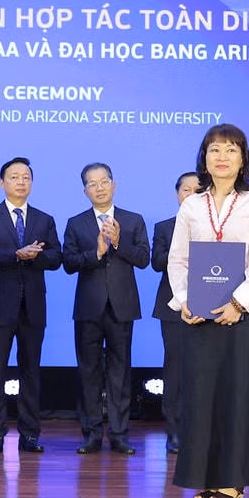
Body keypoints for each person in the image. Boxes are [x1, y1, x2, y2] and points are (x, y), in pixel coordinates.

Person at [165, 125, 249, 498]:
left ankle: (232, 482)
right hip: (198, 319)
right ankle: (203, 478)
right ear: (205, 158)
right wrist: (185, 300)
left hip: (240, 318)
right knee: (201, 399)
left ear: (243, 159)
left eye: (231, 150)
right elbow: (178, 259)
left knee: (237, 398)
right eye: (215, 150)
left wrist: (238, 303)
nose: (222, 157)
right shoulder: (192, 205)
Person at [0, 157, 62, 453]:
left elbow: (56, 258)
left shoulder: (44, 219)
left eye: (26, 177)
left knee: (31, 372)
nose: (21, 182)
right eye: (14, 177)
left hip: (33, 308)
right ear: (2, 183)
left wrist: (36, 256)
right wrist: (15, 254)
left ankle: (30, 434)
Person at [62, 162, 149, 455]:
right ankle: (91, 433)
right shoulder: (76, 223)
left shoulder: (133, 220)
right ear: (85, 190)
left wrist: (118, 242)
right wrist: (97, 252)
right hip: (88, 308)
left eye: (104, 181)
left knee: (120, 373)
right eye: (92, 183)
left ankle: (120, 434)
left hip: (122, 307)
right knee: (88, 372)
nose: (99, 188)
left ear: (114, 184)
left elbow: (143, 259)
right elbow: (69, 263)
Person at [150, 171, 201, 455]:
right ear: (177, 194)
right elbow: (157, 262)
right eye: (186, 189)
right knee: (176, 369)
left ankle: (202, 430)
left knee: (206, 370)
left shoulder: (217, 226)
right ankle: (174, 430)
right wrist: (182, 250)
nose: (191, 194)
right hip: (173, 308)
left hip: (212, 305)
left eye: (197, 189)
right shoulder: (164, 227)